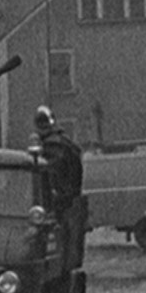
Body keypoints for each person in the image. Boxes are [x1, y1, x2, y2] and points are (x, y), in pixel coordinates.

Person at [34, 106, 86, 269]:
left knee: (56, 256)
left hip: (58, 206)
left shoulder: (51, 147)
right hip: (70, 204)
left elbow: (49, 179)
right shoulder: (67, 144)